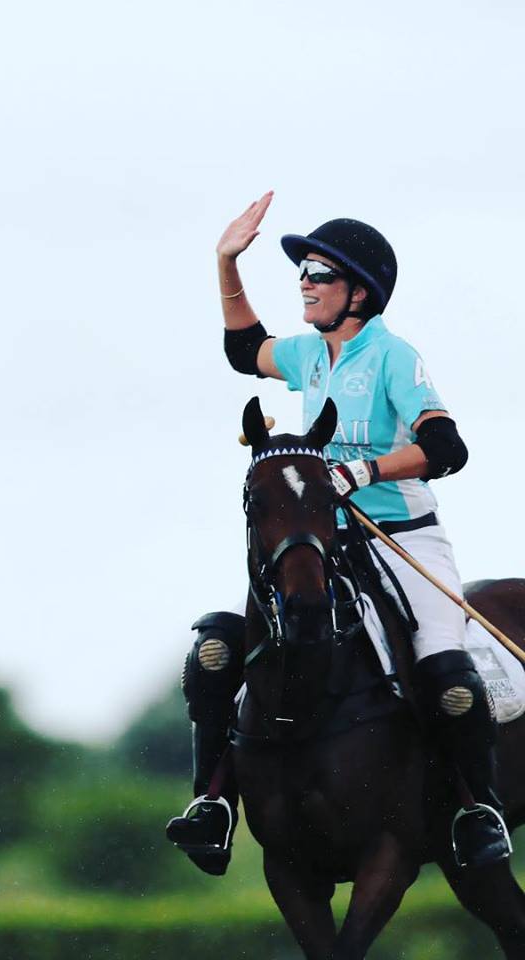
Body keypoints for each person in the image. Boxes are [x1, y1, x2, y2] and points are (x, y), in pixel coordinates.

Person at [166, 192, 509, 872]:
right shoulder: (310, 353)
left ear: (358, 291)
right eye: (304, 272)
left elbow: (445, 447)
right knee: (217, 650)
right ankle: (212, 803)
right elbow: (244, 349)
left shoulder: (392, 356)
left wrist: (359, 473)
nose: (304, 282)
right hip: (327, 541)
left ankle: (478, 808)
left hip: (404, 535)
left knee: (448, 674)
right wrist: (226, 261)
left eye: (318, 272)